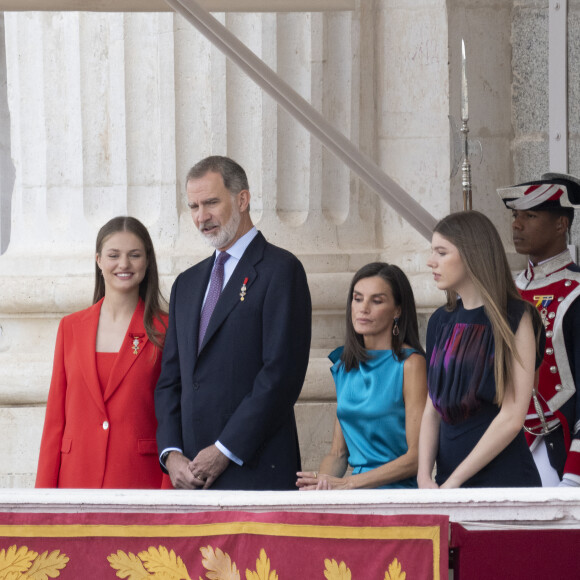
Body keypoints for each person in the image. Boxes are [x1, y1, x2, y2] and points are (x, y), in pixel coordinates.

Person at [154, 155, 312, 490]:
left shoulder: (281, 271)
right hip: (191, 478)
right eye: (194, 206)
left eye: (211, 202)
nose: (201, 217)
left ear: (242, 199)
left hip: (255, 469)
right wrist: (171, 454)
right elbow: (171, 380)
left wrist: (225, 449)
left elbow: (281, 375)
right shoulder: (186, 283)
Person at [36, 216, 170, 489]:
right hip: (74, 480)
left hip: (140, 481)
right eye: (113, 255)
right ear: (98, 260)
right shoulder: (70, 327)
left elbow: (172, 415)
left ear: (147, 261)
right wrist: (43, 499)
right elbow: (54, 421)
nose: (124, 264)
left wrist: (169, 493)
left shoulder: (166, 328)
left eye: (134, 255)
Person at [418, 210, 544, 488]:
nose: (431, 262)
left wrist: (453, 483)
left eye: (441, 252)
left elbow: (512, 416)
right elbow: (432, 409)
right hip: (446, 481)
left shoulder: (517, 316)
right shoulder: (440, 320)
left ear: (471, 254)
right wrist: (423, 475)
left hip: (501, 481)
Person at [296, 263, 427, 490]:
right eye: (357, 299)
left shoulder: (411, 364)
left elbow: (417, 458)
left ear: (397, 310)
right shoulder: (344, 365)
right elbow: (337, 454)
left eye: (376, 301)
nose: (363, 308)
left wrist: (349, 483)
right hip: (354, 495)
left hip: (398, 496)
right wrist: (321, 486)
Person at [498, 173, 580, 487]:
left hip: (556, 450)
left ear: (561, 224)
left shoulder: (576, 291)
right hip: (501, 446)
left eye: (530, 216)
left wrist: (574, 473)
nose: (517, 225)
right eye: (515, 216)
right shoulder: (507, 290)